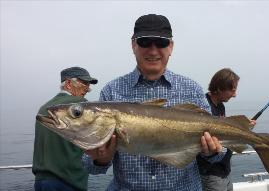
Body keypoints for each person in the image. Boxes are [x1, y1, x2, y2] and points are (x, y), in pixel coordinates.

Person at [82, 14, 225, 191]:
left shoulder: (192, 89)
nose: (153, 50)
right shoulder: (112, 92)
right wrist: (101, 158)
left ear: (171, 46)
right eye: (144, 42)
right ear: (133, 45)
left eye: (161, 43)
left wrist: (211, 153)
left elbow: (219, 155)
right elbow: (90, 166)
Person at [32, 66, 98, 191]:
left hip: (41, 181)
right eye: (84, 83)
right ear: (68, 83)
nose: (88, 89)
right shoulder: (79, 107)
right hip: (69, 181)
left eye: (88, 84)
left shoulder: (44, 108)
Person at [196, 68, 256, 191]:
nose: (234, 95)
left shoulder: (220, 106)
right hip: (210, 173)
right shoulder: (203, 106)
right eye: (232, 90)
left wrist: (244, 127)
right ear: (219, 88)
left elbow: (223, 132)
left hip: (225, 169)